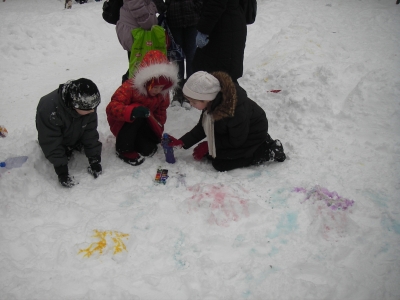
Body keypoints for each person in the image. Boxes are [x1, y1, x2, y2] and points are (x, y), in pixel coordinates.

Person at [166, 71, 286, 172]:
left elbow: (236, 142)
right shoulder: (212, 103)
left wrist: (210, 146)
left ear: (207, 98)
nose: (191, 105)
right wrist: (182, 142)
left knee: (221, 164)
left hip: (251, 135)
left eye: (194, 102)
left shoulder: (234, 111)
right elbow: (202, 127)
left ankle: (267, 150)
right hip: (235, 132)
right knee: (214, 155)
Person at [106, 50, 179, 166]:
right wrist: (132, 112)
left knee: (148, 149)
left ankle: (138, 141)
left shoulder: (162, 95)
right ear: (146, 82)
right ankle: (124, 149)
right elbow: (112, 108)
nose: (158, 91)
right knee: (138, 109)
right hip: (125, 125)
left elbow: (161, 113)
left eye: (161, 87)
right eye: (155, 87)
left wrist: (157, 131)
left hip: (144, 124)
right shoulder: (129, 87)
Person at [36, 79, 103, 188]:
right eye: (89, 109)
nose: (93, 111)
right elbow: (50, 140)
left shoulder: (88, 104)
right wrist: (62, 171)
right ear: (74, 105)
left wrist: (94, 160)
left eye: (94, 108)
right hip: (60, 140)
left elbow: (90, 132)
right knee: (60, 149)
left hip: (76, 134)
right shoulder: (49, 109)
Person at [153, 0, 203, 108]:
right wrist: (165, 8)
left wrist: (198, 6)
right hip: (174, 19)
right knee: (177, 57)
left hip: (193, 19)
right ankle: (178, 91)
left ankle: (190, 93)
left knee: (191, 57)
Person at [192, 0, 247, 83]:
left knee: (215, 76)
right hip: (233, 24)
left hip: (223, 30)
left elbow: (215, 5)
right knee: (227, 74)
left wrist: (203, 30)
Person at [116, 0, 158, 84]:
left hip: (135, 31)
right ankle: (129, 88)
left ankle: (133, 87)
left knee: (139, 65)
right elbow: (145, 20)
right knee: (138, 68)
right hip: (135, 34)